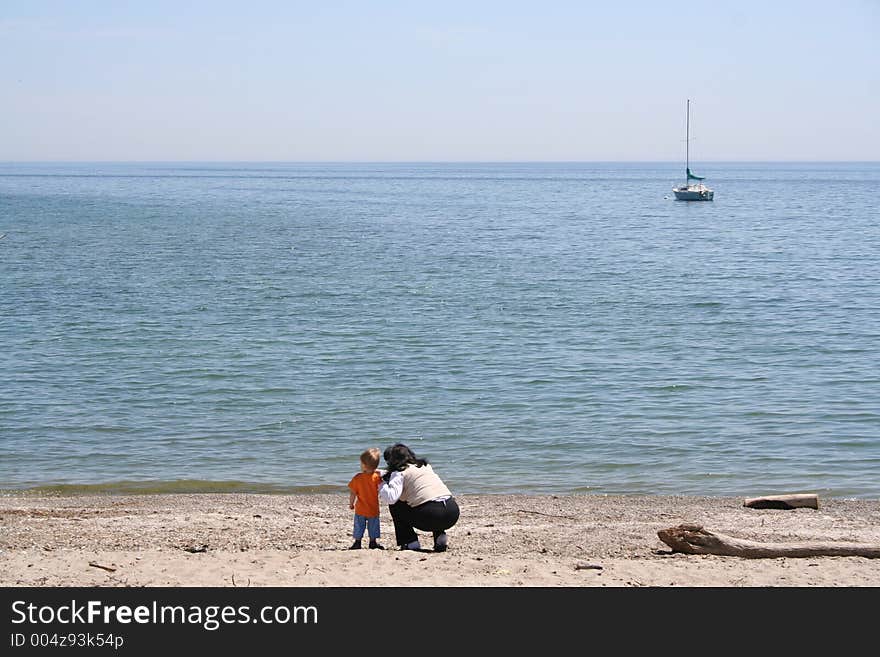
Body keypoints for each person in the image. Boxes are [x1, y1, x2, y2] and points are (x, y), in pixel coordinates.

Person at [378, 443, 459, 552]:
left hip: (431, 515)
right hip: (452, 512)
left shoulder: (399, 472)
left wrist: (380, 483)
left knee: (396, 505)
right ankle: (440, 537)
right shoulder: (425, 466)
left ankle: (410, 541)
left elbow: (391, 498)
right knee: (430, 498)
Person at [347, 447, 385, 550]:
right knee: (373, 526)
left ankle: (357, 542)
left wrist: (351, 504)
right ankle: (372, 542)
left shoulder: (357, 478)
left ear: (364, 465)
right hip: (373, 508)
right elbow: (382, 489)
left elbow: (353, 493)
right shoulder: (377, 477)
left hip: (360, 509)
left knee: (359, 526)